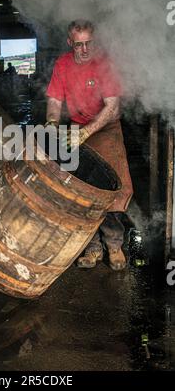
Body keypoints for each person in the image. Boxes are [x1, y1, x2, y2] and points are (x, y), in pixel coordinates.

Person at [45, 19, 133, 270]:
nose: (84, 50)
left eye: (89, 44)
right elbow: (54, 99)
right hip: (76, 127)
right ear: (69, 42)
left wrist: (86, 133)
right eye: (78, 45)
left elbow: (113, 107)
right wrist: (51, 122)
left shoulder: (104, 64)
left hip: (105, 129)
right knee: (82, 192)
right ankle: (92, 248)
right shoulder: (62, 64)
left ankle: (114, 246)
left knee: (110, 193)